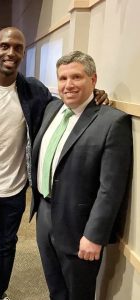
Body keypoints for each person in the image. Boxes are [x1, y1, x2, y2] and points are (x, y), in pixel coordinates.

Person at [0, 27, 108, 300]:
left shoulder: (34, 91)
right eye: (4, 46)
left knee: (8, 246)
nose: (10, 53)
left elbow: (66, 103)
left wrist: (94, 94)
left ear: (22, 53)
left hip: (16, 191)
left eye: (17, 48)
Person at [30, 50, 133, 300]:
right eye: (63, 78)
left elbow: (111, 187)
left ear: (93, 80)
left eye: (76, 77)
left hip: (79, 227)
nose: (68, 85)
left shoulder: (112, 122)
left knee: (79, 294)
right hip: (45, 213)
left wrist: (94, 235)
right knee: (55, 288)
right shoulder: (52, 108)